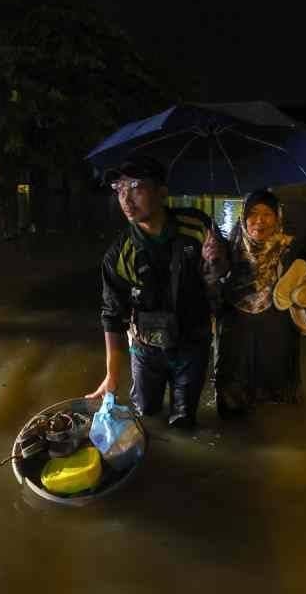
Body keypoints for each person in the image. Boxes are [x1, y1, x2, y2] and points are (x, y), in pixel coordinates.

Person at [86, 154, 228, 429]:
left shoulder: (197, 226)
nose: (126, 200)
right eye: (119, 189)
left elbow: (218, 277)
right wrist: (111, 376)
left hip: (193, 342)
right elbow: (113, 316)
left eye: (136, 187)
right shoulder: (118, 256)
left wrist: (217, 260)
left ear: (162, 191)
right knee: (146, 414)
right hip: (146, 347)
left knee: (184, 421)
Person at [213, 189, 306, 418]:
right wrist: (211, 263)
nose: (259, 221)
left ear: (278, 218)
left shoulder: (293, 249)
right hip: (236, 331)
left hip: (276, 331)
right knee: (232, 402)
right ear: (243, 218)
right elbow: (212, 293)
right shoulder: (226, 249)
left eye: (267, 214)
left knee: (276, 406)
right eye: (253, 213)